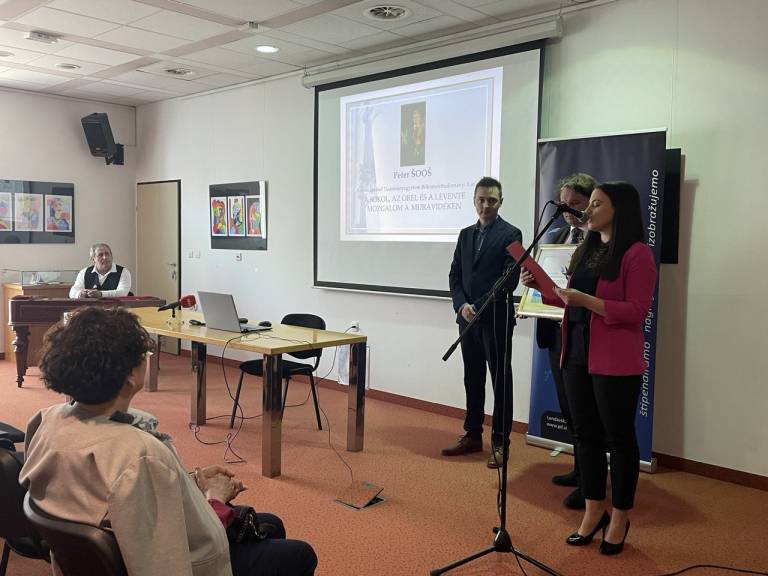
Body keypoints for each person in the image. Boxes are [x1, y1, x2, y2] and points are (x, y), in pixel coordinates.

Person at [19, 307, 317, 576]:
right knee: (300, 554)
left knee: (270, 523)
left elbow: (104, 489)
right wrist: (214, 499)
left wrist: (190, 482)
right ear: (130, 376)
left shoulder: (46, 420)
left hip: (97, 559)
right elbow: (165, 559)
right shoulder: (141, 455)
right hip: (173, 561)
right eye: (144, 355)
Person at [521, 181, 656, 555]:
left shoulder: (637, 254)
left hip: (614, 360)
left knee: (620, 440)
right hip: (577, 354)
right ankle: (594, 510)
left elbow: (636, 311)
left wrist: (588, 301)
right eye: (589, 204)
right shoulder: (588, 248)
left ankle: (620, 517)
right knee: (585, 436)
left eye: (596, 204)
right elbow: (569, 302)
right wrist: (541, 288)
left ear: (619, 209)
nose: (588, 210)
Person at [444, 176, 523, 468]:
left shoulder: (511, 234)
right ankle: (472, 434)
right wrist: (462, 305)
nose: (485, 205)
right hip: (467, 320)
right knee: (472, 378)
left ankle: (500, 443)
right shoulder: (465, 234)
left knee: (500, 382)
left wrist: (479, 306)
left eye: (491, 200)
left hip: (495, 320)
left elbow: (509, 279)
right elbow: (455, 274)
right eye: (481, 199)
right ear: (474, 200)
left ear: (500, 202)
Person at [537, 173, 595, 510]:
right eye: (563, 204)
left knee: (586, 413)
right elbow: (551, 290)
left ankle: (591, 484)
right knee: (567, 407)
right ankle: (579, 469)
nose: (568, 210)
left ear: (590, 202)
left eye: (575, 203)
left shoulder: (600, 242)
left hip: (584, 336)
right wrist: (531, 290)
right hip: (556, 334)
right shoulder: (556, 237)